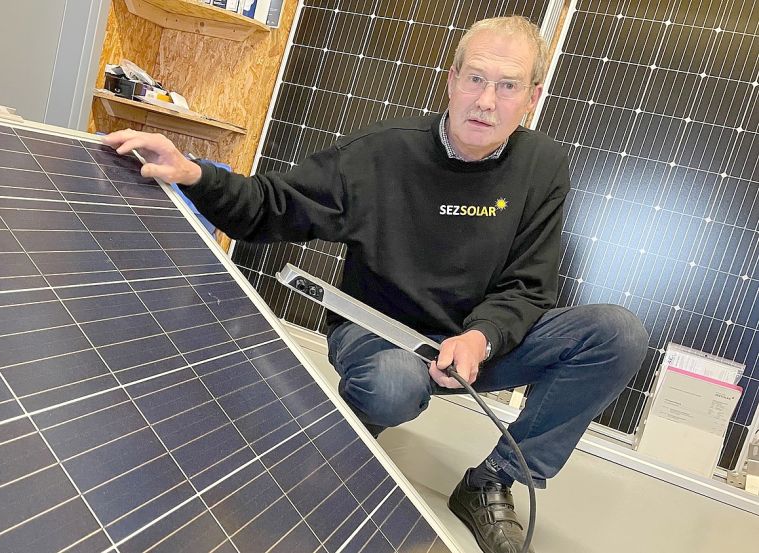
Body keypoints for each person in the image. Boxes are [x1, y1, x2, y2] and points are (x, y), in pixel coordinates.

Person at [103, 15, 648, 553]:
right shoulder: (381, 153)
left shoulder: (544, 165)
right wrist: (197, 174)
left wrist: (481, 337)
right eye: (476, 79)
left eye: (507, 86)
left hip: (474, 347)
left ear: (531, 97)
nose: (486, 100)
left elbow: (529, 286)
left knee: (615, 334)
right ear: (452, 80)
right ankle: (348, 455)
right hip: (380, 334)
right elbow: (270, 206)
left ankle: (492, 481)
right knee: (392, 384)